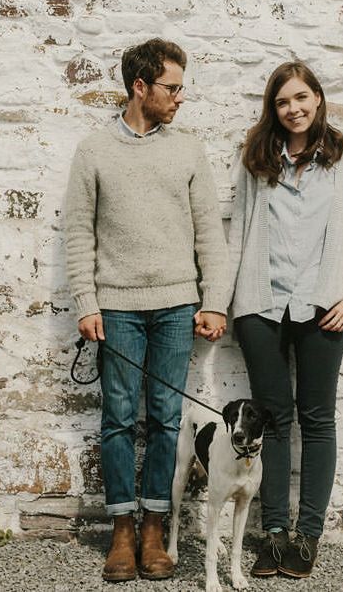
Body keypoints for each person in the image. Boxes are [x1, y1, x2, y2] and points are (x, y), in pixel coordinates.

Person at [64, 38, 229, 582]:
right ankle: (121, 530)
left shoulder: (188, 150)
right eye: (172, 87)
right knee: (116, 419)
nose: (180, 97)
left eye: (180, 87)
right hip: (117, 309)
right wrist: (86, 302)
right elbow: (77, 233)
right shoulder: (93, 150)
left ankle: (155, 525)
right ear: (140, 87)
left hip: (177, 306)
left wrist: (214, 303)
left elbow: (210, 232)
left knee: (163, 417)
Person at [227, 61, 343, 579]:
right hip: (260, 304)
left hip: (321, 306)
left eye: (301, 98)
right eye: (283, 102)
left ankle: (307, 536)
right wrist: (221, 301)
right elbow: (237, 234)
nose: (294, 109)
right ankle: (272, 533)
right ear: (274, 108)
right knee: (271, 418)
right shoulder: (257, 157)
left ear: (318, 97)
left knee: (317, 419)